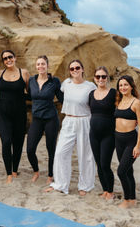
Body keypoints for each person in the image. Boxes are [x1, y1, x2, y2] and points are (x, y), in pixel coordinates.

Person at [46, 59, 96, 195]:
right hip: (68, 120)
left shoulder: (90, 86)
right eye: (72, 68)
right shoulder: (66, 83)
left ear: (82, 69)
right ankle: (61, 185)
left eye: (77, 68)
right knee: (61, 153)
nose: (75, 70)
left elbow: (96, 103)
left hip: (84, 121)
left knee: (85, 155)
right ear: (69, 71)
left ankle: (85, 186)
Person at [26, 55, 63, 184]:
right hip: (36, 119)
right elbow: (29, 96)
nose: (40, 66)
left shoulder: (54, 81)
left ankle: (50, 175)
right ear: (36, 66)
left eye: (43, 64)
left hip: (51, 119)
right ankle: (36, 171)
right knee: (30, 149)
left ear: (47, 66)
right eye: (38, 64)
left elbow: (62, 98)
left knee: (51, 148)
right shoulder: (31, 80)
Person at [0, 50, 30, 184]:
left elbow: (30, 91)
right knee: (6, 141)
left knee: (18, 143)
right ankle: (9, 173)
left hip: (20, 113)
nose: (8, 60)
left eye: (10, 57)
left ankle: (15, 169)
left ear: (15, 58)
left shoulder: (24, 73)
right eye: (5, 59)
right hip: (2, 113)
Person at [114, 75, 140, 208]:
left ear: (131, 86)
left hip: (131, 141)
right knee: (128, 171)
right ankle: (133, 199)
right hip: (118, 140)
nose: (123, 87)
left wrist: (137, 146)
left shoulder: (136, 103)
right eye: (120, 85)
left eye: (125, 84)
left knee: (121, 171)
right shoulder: (119, 101)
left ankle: (127, 200)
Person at [89, 66, 116, 200]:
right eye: (98, 77)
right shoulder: (91, 94)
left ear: (107, 78)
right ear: (94, 79)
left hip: (108, 135)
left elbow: (122, 108)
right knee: (98, 164)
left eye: (103, 76)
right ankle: (105, 190)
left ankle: (110, 191)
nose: (100, 79)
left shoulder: (113, 93)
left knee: (105, 164)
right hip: (93, 134)